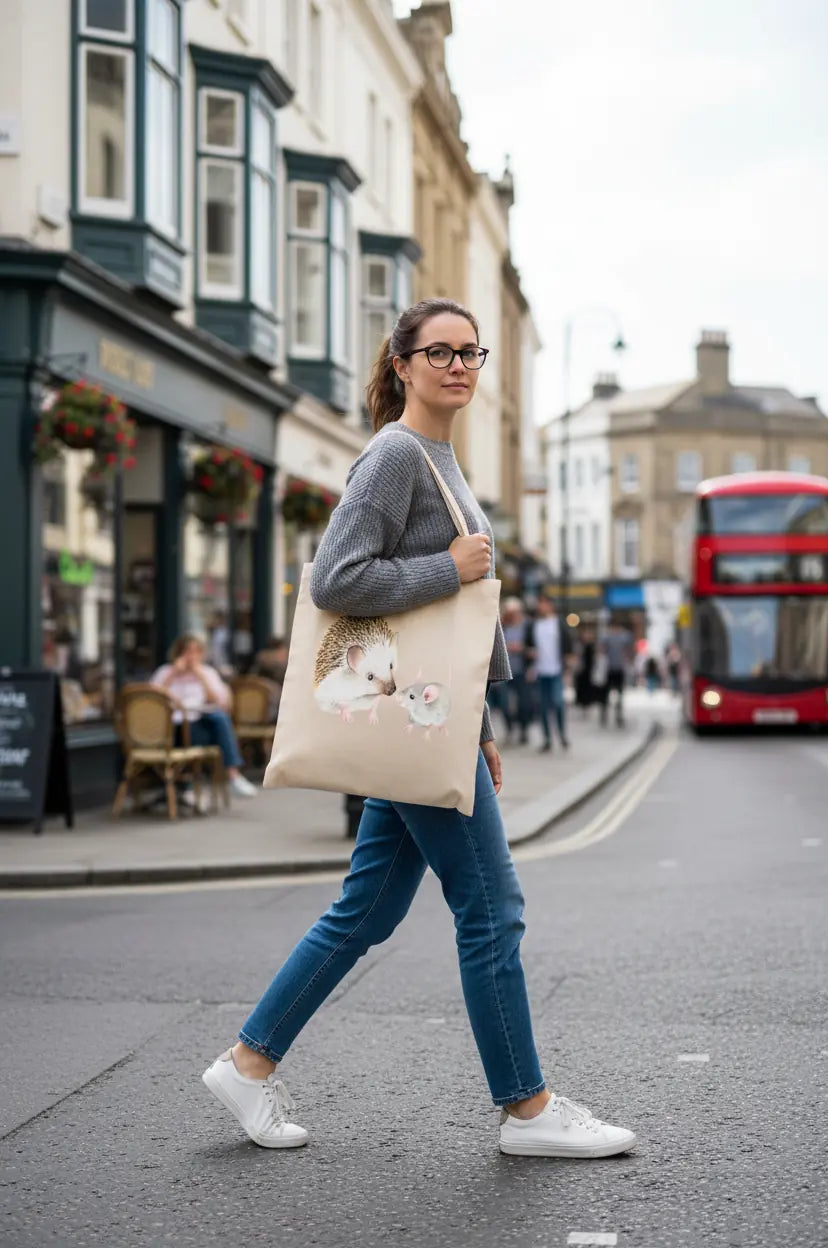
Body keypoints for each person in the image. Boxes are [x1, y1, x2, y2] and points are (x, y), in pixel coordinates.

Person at [201, 297, 635, 1159]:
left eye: (471, 352)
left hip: (429, 722)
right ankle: (527, 1110)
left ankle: (248, 1063)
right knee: (492, 909)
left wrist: (474, 722)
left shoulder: (436, 456)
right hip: (412, 718)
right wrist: (449, 564)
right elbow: (337, 581)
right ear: (401, 364)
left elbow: (458, 623)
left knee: (366, 909)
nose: (460, 366)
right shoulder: (398, 454)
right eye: (440, 352)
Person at [151, 634, 257, 799]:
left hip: (198, 726)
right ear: (178, 653)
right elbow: (150, 699)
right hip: (168, 730)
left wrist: (200, 677)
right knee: (219, 722)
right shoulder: (165, 672)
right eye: (187, 651)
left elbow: (218, 702)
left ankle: (230, 776)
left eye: (196, 652)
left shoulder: (207, 672)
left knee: (219, 717)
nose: (191, 656)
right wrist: (173, 674)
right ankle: (231, 775)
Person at [527, 596, 572, 752]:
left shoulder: (559, 624)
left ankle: (562, 735)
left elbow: (568, 646)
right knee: (543, 707)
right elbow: (529, 645)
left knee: (559, 704)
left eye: (544, 604)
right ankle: (547, 739)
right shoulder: (534, 625)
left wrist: (568, 669)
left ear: (551, 606)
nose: (541, 607)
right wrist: (530, 656)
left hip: (556, 671)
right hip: (540, 672)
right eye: (540, 604)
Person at [500, 597, 534, 744]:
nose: (512, 615)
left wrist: (523, 649)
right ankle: (509, 728)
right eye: (509, 612)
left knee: (524, 703)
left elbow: (534, 648)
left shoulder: (528, 627)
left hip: (522, 671)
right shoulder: (502, 626)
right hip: (504, 672)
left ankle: (523, 730)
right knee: (504, 703)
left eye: (515, 612)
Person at [598, 619, 634, 727]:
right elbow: (629, 650)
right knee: (610, 694)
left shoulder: (608, 636)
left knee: (615, 694)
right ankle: (611, 715)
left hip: (616, 669)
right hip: (611, 669)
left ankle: (614, 716)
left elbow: (601, 650)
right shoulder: (622, 637)